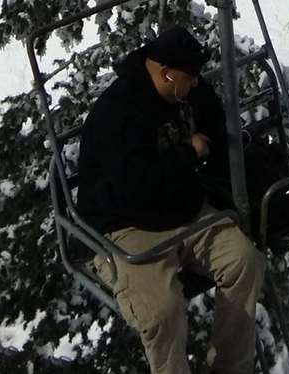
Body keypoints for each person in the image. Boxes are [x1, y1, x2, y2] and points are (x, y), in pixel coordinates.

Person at [75, 25, 264, 374]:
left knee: (243, 262)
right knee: (162, 312)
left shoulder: (183, 92)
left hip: (181, 208)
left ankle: (232, 367)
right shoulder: (118, 115)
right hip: (127, 224)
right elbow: (133, 186)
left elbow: (212, 117)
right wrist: (188, 153)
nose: (196, 82)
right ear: (166, 73)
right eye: (189, 76)